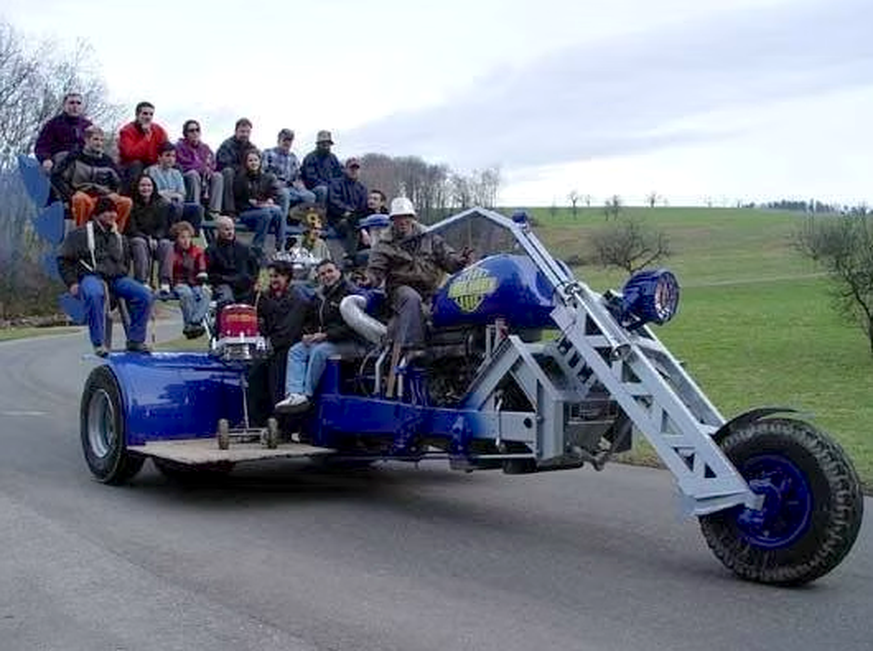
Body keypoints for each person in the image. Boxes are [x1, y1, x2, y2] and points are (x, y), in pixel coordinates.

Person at [365, 197, 472, 356]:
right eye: (398, 218)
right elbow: (375, 270)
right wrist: (369, 279)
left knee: (452, 306)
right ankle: (413, 348)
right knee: (411, 298)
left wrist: (460, 260)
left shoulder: (430, 238)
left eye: (406, 216)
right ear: (392, 220)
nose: (402, 221)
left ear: (413, 218)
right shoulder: (384, 244)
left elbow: (448, 259)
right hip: (400, 291)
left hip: (429, 291)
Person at [57, 196, 153, 356]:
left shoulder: (119, 237)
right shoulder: (80, 234)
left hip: (116, 278)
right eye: (108, 212)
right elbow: (63, 260)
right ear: (97, 215)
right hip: (91, 276)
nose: (113, 215)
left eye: (114, 212)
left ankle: (135, 340)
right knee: (95, 294)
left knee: (144, 295)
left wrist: (122, 274)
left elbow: (125, 261)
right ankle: (99, 343)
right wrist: (72, 283)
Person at [275, 259, 365, 412]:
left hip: (352, 343)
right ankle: (294, 394)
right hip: (326, 340)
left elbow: (354, 327)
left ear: (338, 271)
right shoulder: (319, 295)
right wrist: (308, 334)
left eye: (330, 271)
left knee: (320, 351)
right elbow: (310, 320)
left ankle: (307, 395)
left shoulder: (351, 293)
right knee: (297, 350)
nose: (327, 276)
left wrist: (326, 335)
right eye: (322, 274)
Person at [249, 259, 312, 418]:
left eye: (276, 276)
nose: (273, 280)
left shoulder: (297, 298)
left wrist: (270, 345)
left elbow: (288, 331)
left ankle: (281, 425)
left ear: (287, 277)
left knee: (276, 379)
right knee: (254, 376)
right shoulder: (265, 296)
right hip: (270, 346)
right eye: (270, 277)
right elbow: (258, 319)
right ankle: (258, 423)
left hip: (289, 346)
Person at [54, 125, 132, 231]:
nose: (99, 143)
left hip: (104, 198)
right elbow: (56, 177)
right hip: (83, 195)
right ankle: (82, 234)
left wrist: (116, 193)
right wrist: (70, 195)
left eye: (101, 140)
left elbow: (120, 181)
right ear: (86, 140)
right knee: (79, 199)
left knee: (126, 202)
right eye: (95, 139)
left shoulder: (107, 161)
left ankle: (115, 235)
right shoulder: (74, 157)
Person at [232, 149, 286, 257]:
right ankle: (257, 248)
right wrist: (255, 204)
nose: (253, 163)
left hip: (265, 208)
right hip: (246, 212)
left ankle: (280, 247)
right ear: (246, 163)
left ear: (260, 162)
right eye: (250, 160)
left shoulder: (267, 177)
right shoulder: (240, 178)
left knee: (278, 211)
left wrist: (270, 199)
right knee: (265, 214)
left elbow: (274, 193)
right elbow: (239, 201)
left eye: (256, 160)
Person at [126, 174, 173, 295]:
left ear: (153, 187)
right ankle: (142, 281)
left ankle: (165, 282)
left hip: (156, 239)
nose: (145, 188)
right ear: (137, 187)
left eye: (148, 185)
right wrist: (147, 239)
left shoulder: (162, 203)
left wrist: (157, 238)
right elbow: (131, 228)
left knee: (166, 244)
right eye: (142, 185)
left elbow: (163, 227)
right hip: (137, 239)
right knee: (139, 242)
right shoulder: (130, 203)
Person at [147, 142, 204, 234]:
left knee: (197, 208)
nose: (171, 159)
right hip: (159, 206)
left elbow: (182, 195)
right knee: (171, 206)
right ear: (159, 157)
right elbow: (155, 193)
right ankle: (169, 235)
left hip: (177, 205)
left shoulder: (176, 173)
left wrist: (168, 193)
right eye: (167, 155)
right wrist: (172, 194)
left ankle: (193, 237)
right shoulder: (151, 171)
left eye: (173, 156)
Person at [261, 128, 317, 219]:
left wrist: (301, 187)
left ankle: (302, 225)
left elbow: (298, 177)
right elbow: (262, 173)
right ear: (279, 140)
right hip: (273, 188)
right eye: (285, 139)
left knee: (310, 196)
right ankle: (281, 225)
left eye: (290, 140)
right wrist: (274, 183)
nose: (287, 143)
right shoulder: (268, 153)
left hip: (290, 187)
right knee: (284, 194)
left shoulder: (293, 157)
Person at [168, 220, 210, 338]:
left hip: (194, 282)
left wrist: (202, 274)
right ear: (176, 238)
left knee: (205, 294)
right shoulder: (172, 252)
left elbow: (202, 266)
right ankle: (190, 325)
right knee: (186, 294)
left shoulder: (197, 251)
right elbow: (170, 269)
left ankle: (193, 323)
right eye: (182, 237)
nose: (186, 240)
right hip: (179, 281)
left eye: (188, 237)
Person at [205, 215, 258, 306]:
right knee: (226, 298)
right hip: (223, 284)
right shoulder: (211, 250)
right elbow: (209, 274)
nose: (230, 232)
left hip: (245, 284)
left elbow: (260, 266)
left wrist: (263, 285)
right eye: (226, 229)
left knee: (262, 296)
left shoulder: (244, 248)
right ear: (218, 230)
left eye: (232, 229)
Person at [35, 92, 92, 173]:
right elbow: (41, 146)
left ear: (82, 106)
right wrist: (46, 159)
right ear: (64, 106)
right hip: (61, 161)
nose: (75, 106)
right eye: (71, 103)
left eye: (78, 103)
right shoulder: (53, 124)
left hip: (84, 161)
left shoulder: (88, 126)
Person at [175, 119, 222, 216]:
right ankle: (195, 209)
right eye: (191, 131)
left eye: (197, 130)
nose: (195, 133)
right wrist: (202, 168)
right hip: (188, 177)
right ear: (185, 133)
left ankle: (214, 212)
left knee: (218, 176)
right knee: (193, 174)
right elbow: (183, 164)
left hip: (205, 177)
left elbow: (212, 163)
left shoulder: (205, 147)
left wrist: (209, 170)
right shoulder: (179, 146)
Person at [118, 101, 168, 189]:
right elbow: (130, 154)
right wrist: (146, 138)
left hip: (153, 162)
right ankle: (133, 197)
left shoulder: (158, 130)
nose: (148, 117)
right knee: (136, 164)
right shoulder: (127, 131)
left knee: (175, 166)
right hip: (132, 166)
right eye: (145, 114)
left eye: (151, 114)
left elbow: (165, 148)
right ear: (137, 115)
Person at [326, 157, 368, 255]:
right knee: (353, 225)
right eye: (351, 168)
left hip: (357, 220)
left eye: (356, 168)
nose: (354, 171)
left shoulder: (362, 188)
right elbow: (333, 202)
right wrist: (349, 212)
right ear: (345, 169)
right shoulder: (336, 183)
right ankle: (350, 257)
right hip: (337, 220)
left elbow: (363, 208)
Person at [216, 118, 256, 215]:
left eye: (247, 132)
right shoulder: (226, 145)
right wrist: (242, 169)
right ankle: (229, 210)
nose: (245, 134)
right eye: (242, 131)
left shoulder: (252, 147)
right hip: (230, 176)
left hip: (245, 175)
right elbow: (223, 163)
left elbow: (257, 163)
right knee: (228, 172)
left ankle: (254, 207)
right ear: (236, 131)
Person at [300, 130, 343, 205]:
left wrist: (336, 185)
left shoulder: (333, 158)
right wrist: (329, 186)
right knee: (323, 190)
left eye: (328, 144)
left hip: (331, 186)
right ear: (318, 144)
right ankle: (320, 213)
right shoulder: (310, 157)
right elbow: (311, 179)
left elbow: (339, 174)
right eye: (323, 143)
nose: (326, 146)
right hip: (313, 189)